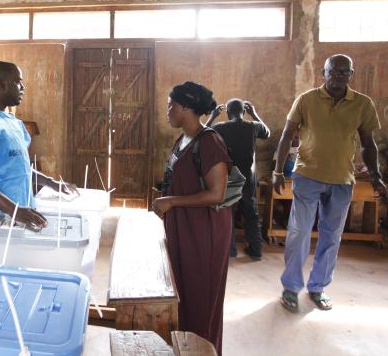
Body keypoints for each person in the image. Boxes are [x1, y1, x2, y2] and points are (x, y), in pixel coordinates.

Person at [274, 54, 387, 312]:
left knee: (331, 236)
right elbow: (286, 135)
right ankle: (291, 288)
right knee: (299, 231)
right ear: (322, 74)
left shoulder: (362, 104)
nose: (338, 76)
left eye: (344, 72)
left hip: (341, 180)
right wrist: (277, 172)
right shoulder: (306, 100)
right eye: (333, 72)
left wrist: (377, 177)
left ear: (351, 74)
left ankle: (318, 287)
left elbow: (369, 145)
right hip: (307, 176)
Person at [0, 61, 77, 264]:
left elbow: (18, 167)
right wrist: (15, 210)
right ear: (1, 84)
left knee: (17, 269)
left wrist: (50, 182)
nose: (23, 88)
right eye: (18, 83)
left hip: (17, 214)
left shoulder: (13, 122)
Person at [152, 81, 232, 356]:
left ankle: (203, 350)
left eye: (171, 105)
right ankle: (185, 349)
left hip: (204, 234)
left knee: (201, 299)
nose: (168, 111)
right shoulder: (185, 139)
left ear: (185, 107)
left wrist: (172, 201)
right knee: (183, 296)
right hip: (184, 229)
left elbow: (217, 194)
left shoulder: (210, 141)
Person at [206, 99, 270, 260]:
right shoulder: (253, 126)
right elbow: (267, 133)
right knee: (251, 213)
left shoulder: (221, 127)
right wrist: (254, 114)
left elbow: (203, 135)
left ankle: (230, 250)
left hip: (230, 177)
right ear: (244, 112)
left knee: (229, 212)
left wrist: (213, 116)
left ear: (227, 113)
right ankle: (256, 250)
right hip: (248, 177)